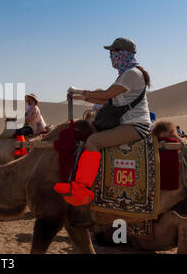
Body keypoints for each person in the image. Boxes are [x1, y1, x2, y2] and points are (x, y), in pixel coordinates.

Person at [54, 37, 152, 208]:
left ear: (123, 53)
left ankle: (81, 188)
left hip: (135, 125)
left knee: (93, 141)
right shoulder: (126, 74)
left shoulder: (131, 74)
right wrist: (78, 96)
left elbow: (106, 95)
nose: (111, 56)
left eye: (113, 52)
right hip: (126, 123)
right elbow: (109, 101)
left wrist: (79, 91)